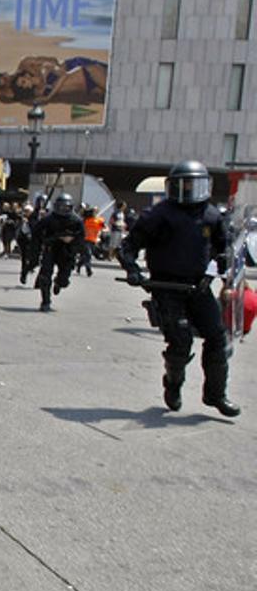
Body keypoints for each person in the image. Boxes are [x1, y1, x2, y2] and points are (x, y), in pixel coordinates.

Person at [118, 161, 240, 417]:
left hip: (199, 286)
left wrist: (219, 267)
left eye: (192, 184)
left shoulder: (211, 215)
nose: (188, 190)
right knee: (180, 341)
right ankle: (173, 385)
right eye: (182, 184)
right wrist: (132, 269)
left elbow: (224, 249)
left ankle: (216, 394)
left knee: (217, 338)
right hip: (167, 287)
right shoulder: (159, 215)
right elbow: (128, 246)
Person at [31, 192, 83, 312]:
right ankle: (45, 301)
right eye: (61, 206)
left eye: (66, 207)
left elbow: (81, 239)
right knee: (45, 276)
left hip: (67, 251)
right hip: (51, 249)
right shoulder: (48, 219)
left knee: (64, 279)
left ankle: (59, 283)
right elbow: (37, 234)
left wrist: (72, 242)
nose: (63, 209)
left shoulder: (76, 220)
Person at [77, 206, 105, 276]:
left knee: (86, 256)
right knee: (88, 254)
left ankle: (79, 264)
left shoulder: (99, 220)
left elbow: (104, 228)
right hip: (85, 240)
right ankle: (88, 269)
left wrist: (101, 231)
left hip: (93, 240)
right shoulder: (85, 221)